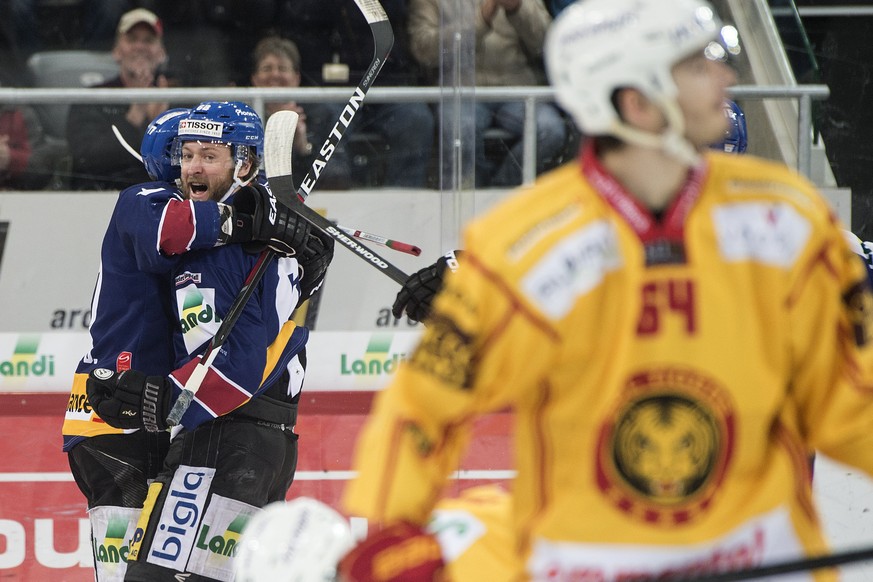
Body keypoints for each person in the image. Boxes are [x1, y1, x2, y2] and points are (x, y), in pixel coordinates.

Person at [339, 1, 873, 580]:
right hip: (595, 563)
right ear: (637, 101)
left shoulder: (789, 225)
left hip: (759, 559)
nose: (726, 76)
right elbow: (423, 410)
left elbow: (850, 401)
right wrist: (393, 531)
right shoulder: (522, 248)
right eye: (698, 65)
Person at [62, 102, 332, 581]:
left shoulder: (223, 242)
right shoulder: (148, 199)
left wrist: (301, 247)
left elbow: (251, 326)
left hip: (192, 420)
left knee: (151, 574)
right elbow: (176, 231)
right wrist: (259, 223)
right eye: (184, 154)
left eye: (207, 154)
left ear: (242, 162)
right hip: (121, 418)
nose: (190, 167)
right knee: (148, 572)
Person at [408, 0, 568, 188]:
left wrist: (518, 9)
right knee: (458, 128)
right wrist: (480, 20)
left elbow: (549, 44)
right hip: (462, 89)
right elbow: (424, 50)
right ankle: (475, 193)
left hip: (518, 89)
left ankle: (500, 191)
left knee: (550, 129)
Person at [279, 0, 434, 188]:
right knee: (327, 117)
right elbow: (298, 14)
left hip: (386, 80)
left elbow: (397, 10)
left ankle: (405, 199)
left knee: (416, 119)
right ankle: (336, 196)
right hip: (328, 85)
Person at [67, 8, 172, 190]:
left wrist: (165, 124)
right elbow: (86, 159)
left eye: (148, 40)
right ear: (116, 51)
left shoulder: (177, 98)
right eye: (132, 39)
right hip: (97, 200)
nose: (140, 46)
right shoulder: (92, 98)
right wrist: (135, 116)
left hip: (163, 201)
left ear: (161, 53)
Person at [250, 35, 352, 190]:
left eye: (282, 68)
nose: (275, 75)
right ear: (255, 79)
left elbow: (339, 177)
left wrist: (304, 147)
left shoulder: (323, 114)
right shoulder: (244, 118)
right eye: (267, 68)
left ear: (296, 78)